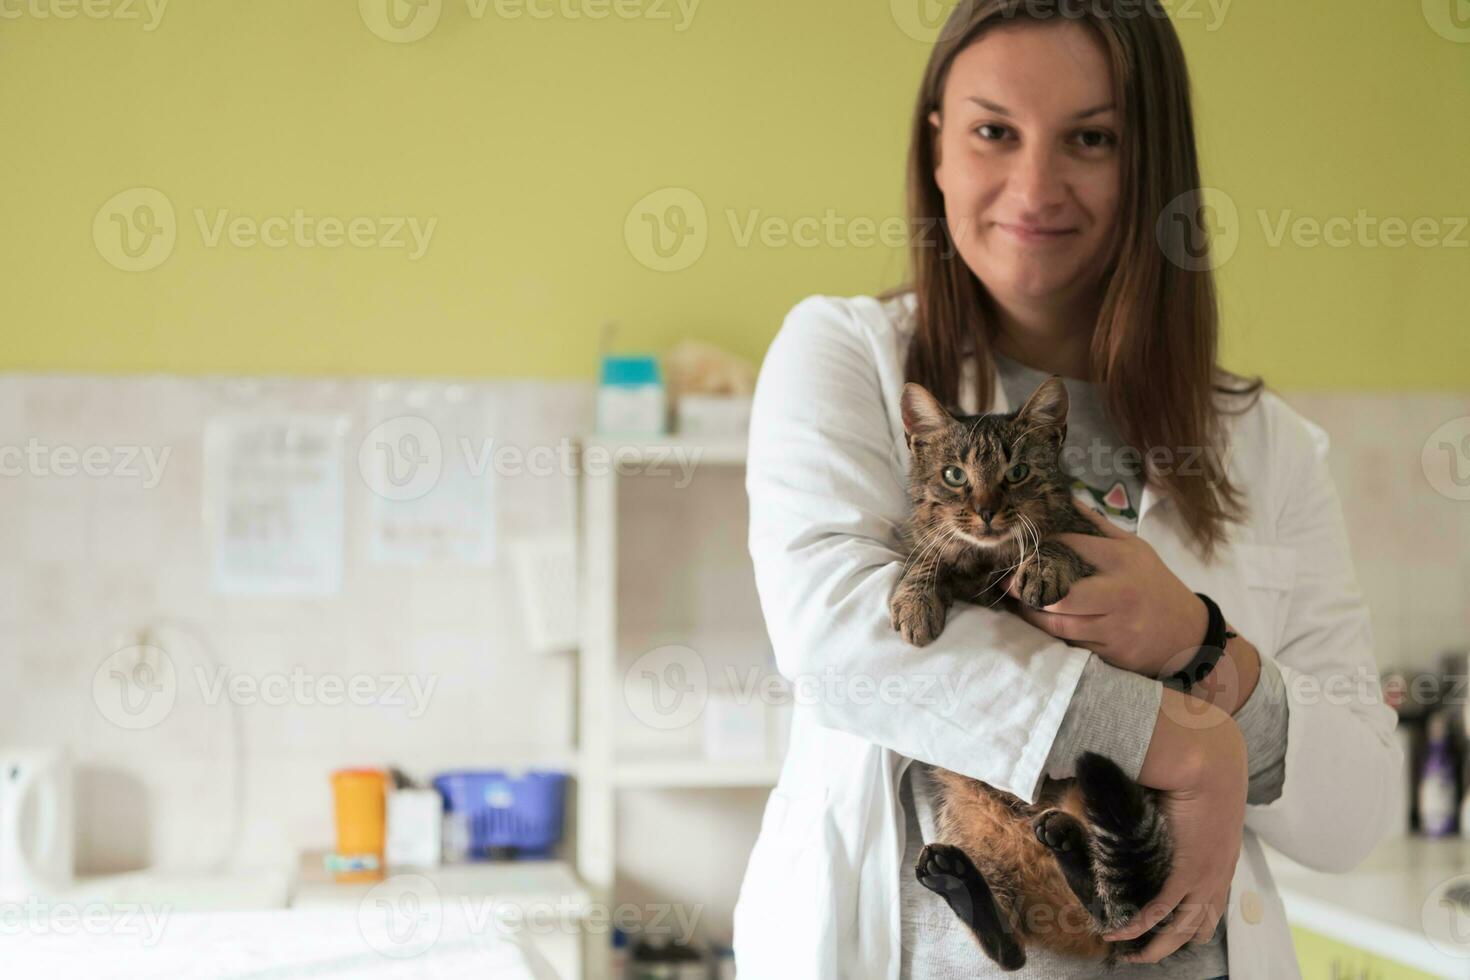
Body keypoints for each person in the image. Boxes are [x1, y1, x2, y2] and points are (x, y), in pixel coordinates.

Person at [731, 2, 1402, 978]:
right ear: (938, 147)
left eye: (1090, 137)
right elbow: (839, 640)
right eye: (994, 130)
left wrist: (1202, 646)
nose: (1033, 185)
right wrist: (1180, 740)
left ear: (1151, 164)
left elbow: (1357, 814)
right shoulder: (845, 356)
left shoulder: (1268, 446)